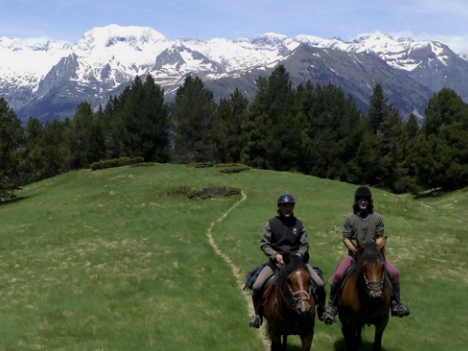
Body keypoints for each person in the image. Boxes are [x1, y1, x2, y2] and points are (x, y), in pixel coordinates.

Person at [322, 186, 410, 325]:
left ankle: (396, 303)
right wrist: (356, 251)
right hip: (355, 255)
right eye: (360, 199)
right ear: (356, 201)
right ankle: (332, 306)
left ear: (369, 201)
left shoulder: (377, 218)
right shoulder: (350, 218)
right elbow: (346, 238)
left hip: (374, 256)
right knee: (338, 274)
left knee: (394, 273)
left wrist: (375, 249)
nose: (363, 202)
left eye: (365, 199)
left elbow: (380, 236)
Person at [248, 194, 326, 328]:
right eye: (285, 206)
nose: (287, 208)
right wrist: (275, 255)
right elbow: (264, 244)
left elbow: (304, 244)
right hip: (276, 263)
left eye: (290, 206)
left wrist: (300, 254)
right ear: (279, 207)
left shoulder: (299, 223)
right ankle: (257, 315)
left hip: (297, 263)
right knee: (257, 286)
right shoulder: (271, 223)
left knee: (319, 284)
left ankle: (321, 311)